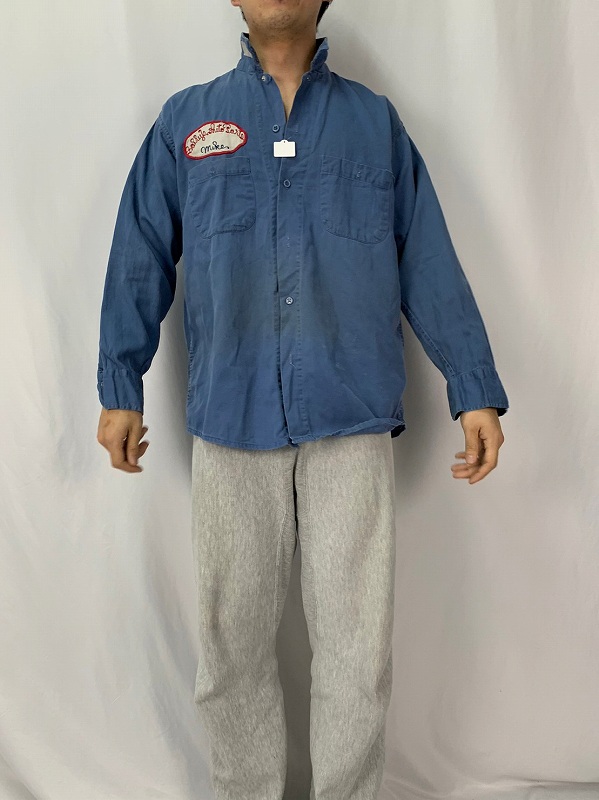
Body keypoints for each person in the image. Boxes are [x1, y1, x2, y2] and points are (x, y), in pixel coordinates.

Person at [96, 1, 509, 797]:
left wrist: (472, 387)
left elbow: (425, 256)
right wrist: (121, 382)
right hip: (230, 417)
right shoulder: (188, 122)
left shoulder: (373, 124)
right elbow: (138, 248)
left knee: (357, 652)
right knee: (231, 648)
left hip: (350, 417)